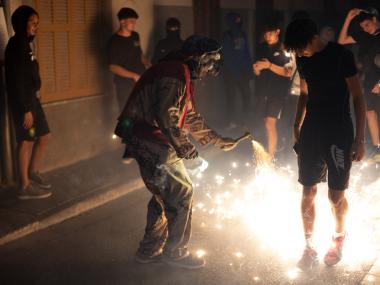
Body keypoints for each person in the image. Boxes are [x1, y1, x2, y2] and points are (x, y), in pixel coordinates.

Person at [114, 35, 242, 269]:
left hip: (148, 137)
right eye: (211, 62)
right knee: (182, 191)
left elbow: (189, 115)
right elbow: (167, 116)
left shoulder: (177, 70)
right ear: (200, 57)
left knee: (164, 195)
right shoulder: (174, 73)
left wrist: (217, 140)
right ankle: (175, 252)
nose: (211, 69)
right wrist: (186, 148)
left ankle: (149, 251)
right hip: (150, 139)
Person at [284, 18, 366, 271]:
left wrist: (359, 139)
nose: (298, 54)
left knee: (335, 195)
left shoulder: (341, 55)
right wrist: (296, 125)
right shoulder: (303, 59)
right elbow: (305, 93)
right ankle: (309, 246)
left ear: (311, 38)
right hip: (311, 131)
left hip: (338, 131)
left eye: (300, 48)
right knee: (307, 190)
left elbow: (358, 97)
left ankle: (339, 238)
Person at [5, 5, 52, 200]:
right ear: (21, 23)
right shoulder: (16, 45)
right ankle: (23, 186)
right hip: (23, 103)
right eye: (32, 23)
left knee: (44, 135)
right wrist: (26, 109)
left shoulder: (26, 44)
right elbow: (16, 80)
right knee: (25, 140)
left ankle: (32, 172)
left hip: (32, 99)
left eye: (37, 23)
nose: (36, 26)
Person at [338, 7, 380, 161]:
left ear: (375, 20)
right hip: (369, 78)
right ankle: (377, 148)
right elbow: (341, 40)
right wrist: (348, 18)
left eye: (367, 25)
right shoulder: (363, 36)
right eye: (362, 27)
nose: (365, 29)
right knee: (369, 112)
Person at [253, 22, 291, 161]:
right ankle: (270, 149)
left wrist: (269, 65)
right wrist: (256, 69)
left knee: (270, 122)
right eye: (265, 33)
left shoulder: (284, 48)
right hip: (263, 91)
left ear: (277, 31)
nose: (267, 36)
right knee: (265, 122)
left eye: (270, 33)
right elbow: (256, 70)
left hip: (278, 92)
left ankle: (271, 156)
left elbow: (288, 72)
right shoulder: (261, 47)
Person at [107, 7, 151, 109]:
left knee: (143, 110)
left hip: (140, 81)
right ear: (122, 22)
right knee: (127, 112)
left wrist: (147, 63)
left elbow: (139, 54)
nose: (134, 24)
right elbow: (112, 67)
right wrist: (133, 76)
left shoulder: (135, 36)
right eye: (131, 21)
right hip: (124, 85)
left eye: (135, 21)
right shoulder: (114, 42)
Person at [221, 12, 252, 122]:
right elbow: (228, 56)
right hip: (231, 72)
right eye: (237, 20)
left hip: (242, 71)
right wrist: (236, 71)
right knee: (231, 98)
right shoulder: (228, 35)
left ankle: (246, 122)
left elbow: (246, 53)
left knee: (246, 96)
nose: (239, 22)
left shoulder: (243, 34)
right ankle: (231, 122)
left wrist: (249, 69)